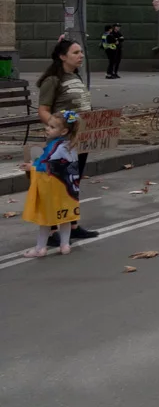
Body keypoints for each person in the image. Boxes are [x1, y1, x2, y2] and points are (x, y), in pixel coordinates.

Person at [37, 38, 98, 243]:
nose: (80, 56)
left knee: (73, 183)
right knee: (57, 186)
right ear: (63, 56)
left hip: (79, 141)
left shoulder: (75, 77)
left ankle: (72, 225)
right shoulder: (53, 80)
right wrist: (58, 129)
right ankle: (53, 231)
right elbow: (43, 110)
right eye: (75, 52)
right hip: (60, 144)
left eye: (81, 52)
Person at [21, 109, 83, 257]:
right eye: (48, 125)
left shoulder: (56, 146)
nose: (47, 128)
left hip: (53, 189)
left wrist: (32, 167)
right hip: (68, 191)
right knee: (66, 217)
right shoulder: (70, 145)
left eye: (52, 127)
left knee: (46, 218)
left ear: (64, 131)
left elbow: (47, 165)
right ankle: (65, 245)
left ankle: (40, 248)